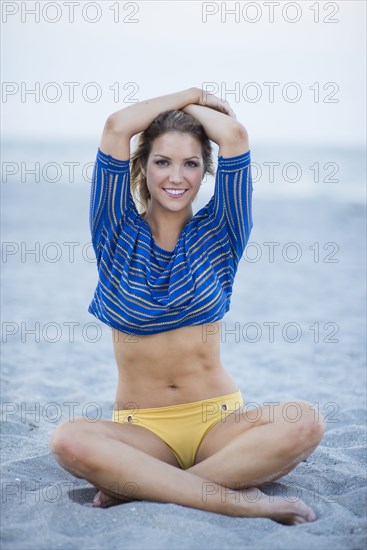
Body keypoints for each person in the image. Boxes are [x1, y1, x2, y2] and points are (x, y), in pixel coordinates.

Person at [50, 87, 325, 525]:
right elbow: (117, 126)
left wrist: (194, 111)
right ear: (141, 166)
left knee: (305, 421)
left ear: (205, 172)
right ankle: (226, 497)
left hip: (219, 426)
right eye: (162, 161)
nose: (175, 176)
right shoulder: (114, 231)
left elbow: (234, 134)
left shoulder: (223, 231)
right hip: (142, 432)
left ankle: (152, 487)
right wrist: (191, 94)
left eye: (190, 163)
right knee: (68, 440)